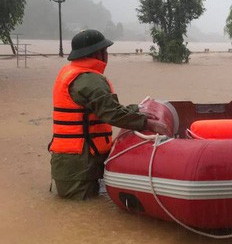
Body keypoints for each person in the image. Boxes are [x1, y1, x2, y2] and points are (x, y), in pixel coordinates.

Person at [48, 29, 169, 200]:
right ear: (98, 53)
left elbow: (104, 109)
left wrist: (134, 109)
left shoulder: (72, 73)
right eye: (105, 51)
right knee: (83, 213)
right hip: (79, 165)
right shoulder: (90, 80)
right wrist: (147, 123)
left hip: (71, 161)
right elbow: (112, 114)